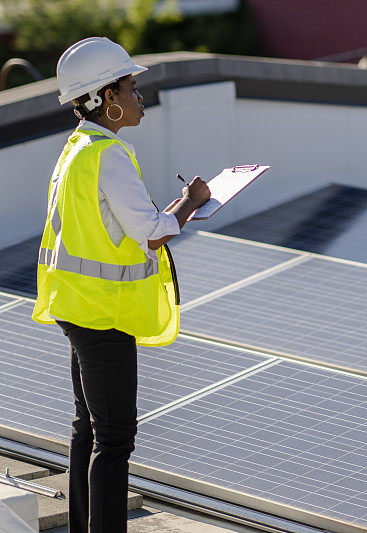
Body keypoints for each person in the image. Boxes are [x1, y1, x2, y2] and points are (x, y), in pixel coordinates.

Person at [31, 37, 210, 532]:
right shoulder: (110, 155)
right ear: (109, 99)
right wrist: (192, 200)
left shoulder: (77, 149)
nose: (139, 96)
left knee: (87, 428)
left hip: (77, 307)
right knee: (113, 440)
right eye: (131, 87)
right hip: (104, 316)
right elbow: (151, 233)